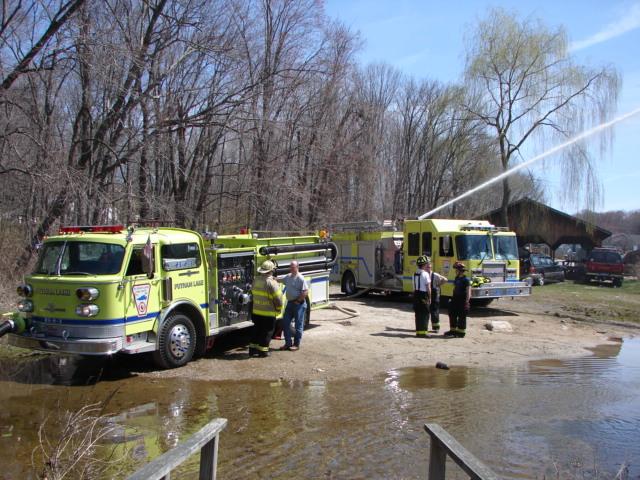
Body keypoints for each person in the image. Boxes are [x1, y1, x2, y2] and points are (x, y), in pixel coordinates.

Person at [249, 260, 283, 357]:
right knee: (267, 332)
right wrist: (279, 308)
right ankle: (263, 351)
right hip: (268, 313)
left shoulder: (256, 280)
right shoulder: (272, 283)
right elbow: (278, 298)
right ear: (271, 271)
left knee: (257, 330)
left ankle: (252, 350)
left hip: (256, 311)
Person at [279, 260, 309, 351]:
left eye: (293, 267)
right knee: (285, 323)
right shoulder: (288, 277)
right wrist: (271, 278)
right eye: (290, 267)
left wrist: (298, 300)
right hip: (290, 304)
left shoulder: (300, 278)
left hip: (298, 305)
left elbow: (305, 292)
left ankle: (296, 344)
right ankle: (288, 344)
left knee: (298, 325)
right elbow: (280, 280)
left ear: (297, 267)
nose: (291, 268)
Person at [445, 262, 471, 338]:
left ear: (460, 271)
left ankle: (461, 332)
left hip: (462, 300)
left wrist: (467, 302)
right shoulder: (457, 278)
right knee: (452, 314)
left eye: (456, 270)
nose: (455, 271)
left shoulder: (466, 280)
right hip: (455, 299)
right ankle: (453, 330)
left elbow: (469, 291)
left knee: (461, 316)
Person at [425, 258, 447, 333]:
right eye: (427, 267)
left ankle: (436, 327)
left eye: (429, 267)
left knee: (435, 311)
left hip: (434, 295)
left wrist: (438, 285)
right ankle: (425, 326)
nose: (428, 268)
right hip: (427, 294)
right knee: (426, 311)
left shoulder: (435, 275)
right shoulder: (424, 275)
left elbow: (445, 279)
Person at [412, 255, 431, 338]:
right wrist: (430, 297)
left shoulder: (414, 274)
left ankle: (418, 332)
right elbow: (428, 288)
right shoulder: (425, 274)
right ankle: (423, 332)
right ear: (424, 264)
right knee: (425, 314)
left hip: (416, 294)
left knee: (418, 314)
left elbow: (413, 286)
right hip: (423, 295)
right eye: (427, 263)